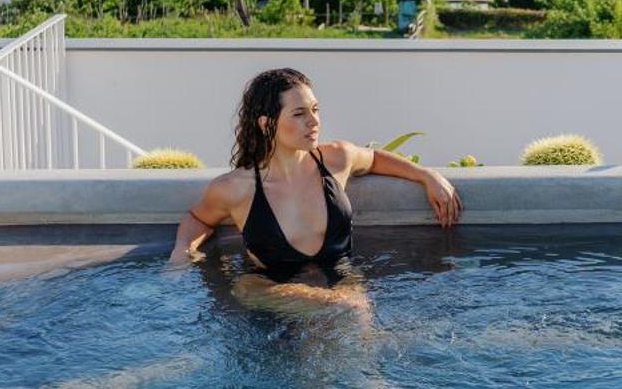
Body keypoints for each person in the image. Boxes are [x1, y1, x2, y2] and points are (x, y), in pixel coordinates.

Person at [168, 68, 461, 303]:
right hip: (269, 290)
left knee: (351, 316)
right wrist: (182, 251)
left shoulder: (336, 159)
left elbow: (374, 160)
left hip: (341, 285)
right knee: (347, 310)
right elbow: (198, 218)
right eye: (299, 114)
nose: (314, 121)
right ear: (265, 123)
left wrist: (427, 176)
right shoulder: (236, 188)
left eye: (315, 110)